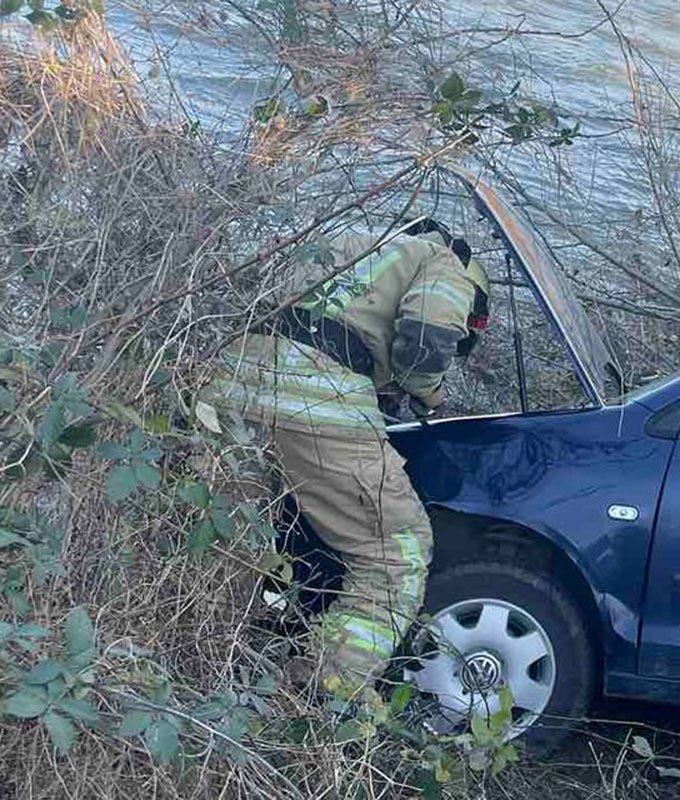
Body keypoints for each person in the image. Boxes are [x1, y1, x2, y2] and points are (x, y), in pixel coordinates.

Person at [199, 220, 490, 698]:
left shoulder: (348, 234)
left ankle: (198, 660)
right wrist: (429, 394)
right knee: (397, 554)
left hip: (231, 377)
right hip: (317, 394)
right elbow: (427, 337)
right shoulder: (445, 263)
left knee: (231, 535)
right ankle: (319, 700)